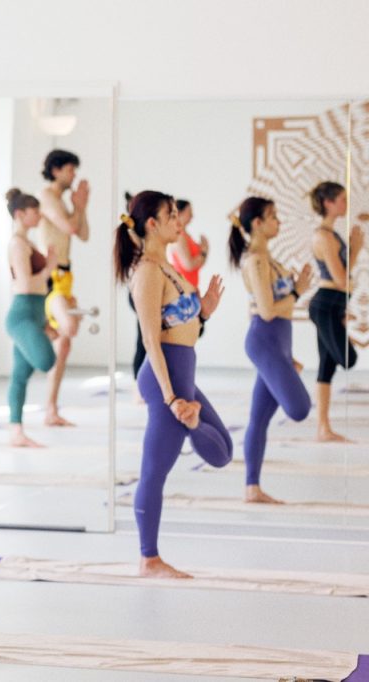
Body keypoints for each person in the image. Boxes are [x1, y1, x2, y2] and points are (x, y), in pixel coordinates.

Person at [114, 191, 231, 579]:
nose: (179, 222)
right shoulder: (147, 272)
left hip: (182, 373)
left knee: (223, 450)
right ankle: (149, 559)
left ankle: (149, 558)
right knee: (154, 471)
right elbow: (151, 339)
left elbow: (177, 324)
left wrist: (205, 313)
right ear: (152, 224)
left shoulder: (166, 266)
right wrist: (170, 397)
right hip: (166, 379)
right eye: (172, 215)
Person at [228, 197, 312, 503]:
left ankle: (252, 488)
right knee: (299, 408)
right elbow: (266, 311)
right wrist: (298, 291)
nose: (279, 222)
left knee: (259, 418)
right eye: (273, 217)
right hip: (265, 341)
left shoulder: (268, 258)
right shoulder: (256, 261)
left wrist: (296, 288)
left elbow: (279, 305)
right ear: (257, 224)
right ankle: (251, 485)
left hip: (277, 343)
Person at [37, 149, 89, 426]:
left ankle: (51, 409)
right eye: (70, 169)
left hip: (66, 276)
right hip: (51, 277)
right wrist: (78, 207)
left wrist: (81, 205)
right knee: (68, 327)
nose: (74, 175)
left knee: (64, 345)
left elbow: (84, 234)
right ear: (56, 170)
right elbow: (70, 227)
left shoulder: (62, 201)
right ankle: (40, 335)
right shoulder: (47, 196)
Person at [309, 181, 362, 442]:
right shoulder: (323, 236)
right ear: (328, 203)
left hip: (333, 304)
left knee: (326, 367)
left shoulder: (331, 234)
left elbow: (343, 276)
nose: (345, 204)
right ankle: (322, 427)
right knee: (348, 359)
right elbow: (341, 279)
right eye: (341, 199)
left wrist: (353, 249)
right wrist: (356, 250)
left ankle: (323, 428)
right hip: (326, 304)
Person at [4, 188, 57, 447]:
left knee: (20, 375)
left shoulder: (28, 243)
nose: (39, 216)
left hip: (35, 313)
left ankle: (16, 431)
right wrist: (50, 267)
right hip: (22, 315)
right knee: (47, 360)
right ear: (20, 214)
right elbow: (25, 284)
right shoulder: (17, 244)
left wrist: (44, 321)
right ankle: (16, 430)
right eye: (34, 211)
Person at [168, 199, 208, 288]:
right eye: (189, 212)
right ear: (179, 213)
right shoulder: (179, 236)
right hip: (185, 288)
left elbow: (197, 264)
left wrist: (204, 251)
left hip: (191, 287)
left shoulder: (185, 235)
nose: (192, 216)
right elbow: (188, 265)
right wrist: (204, 251)